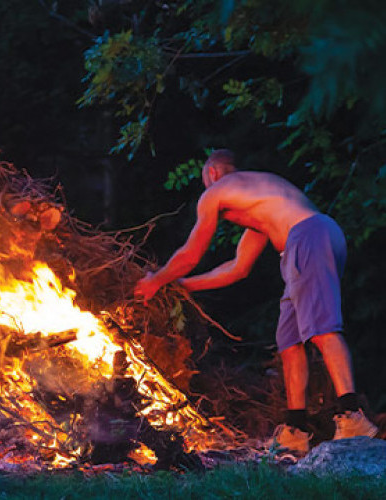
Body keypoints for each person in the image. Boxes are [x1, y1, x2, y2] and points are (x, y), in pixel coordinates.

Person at [134, 149, 378, 454]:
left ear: (212, 173)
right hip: (302, 245)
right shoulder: (261, 207)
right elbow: (238, 268)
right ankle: (295, 430)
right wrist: (184, 285)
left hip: (309, 237)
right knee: (290, 342)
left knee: (321, 328)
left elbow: (191, 252)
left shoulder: (217, 191)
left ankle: (352, 414)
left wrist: (155, 281)